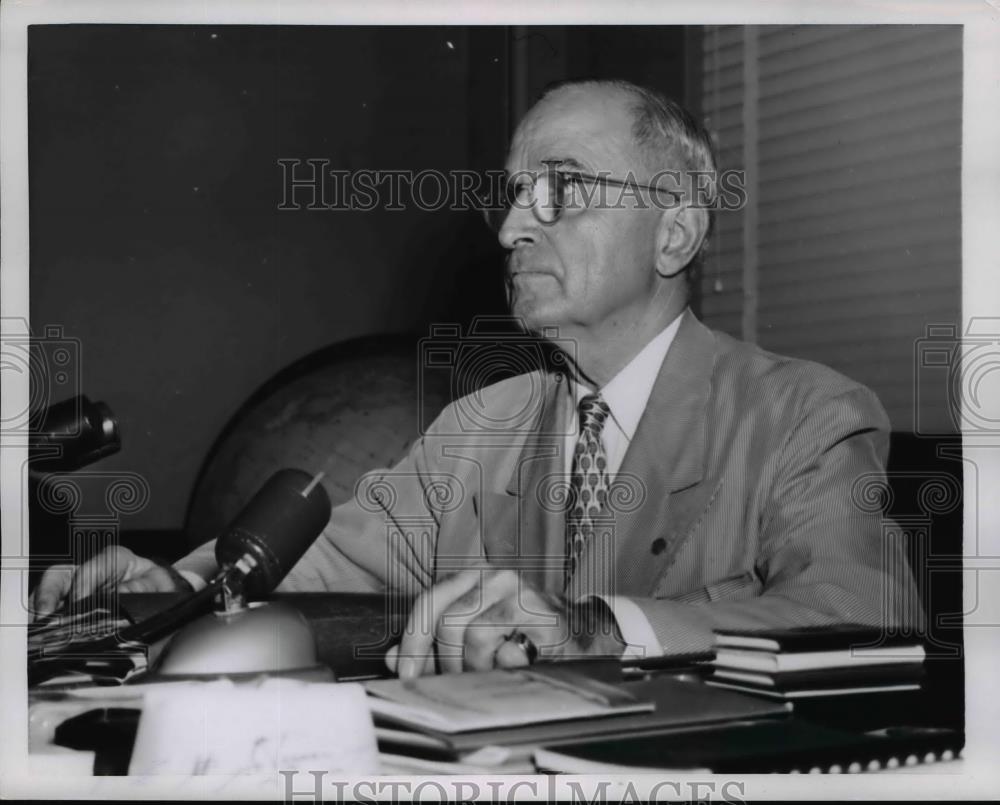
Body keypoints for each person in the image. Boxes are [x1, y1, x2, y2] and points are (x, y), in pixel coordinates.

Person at [32, 79, 923, 677]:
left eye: (560, 189)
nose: (509, 229)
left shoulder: (803, 414)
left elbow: (869, 611)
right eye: (512, 193)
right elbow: (325, 555)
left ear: (675, 233)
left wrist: (599, 628)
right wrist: (166, 588)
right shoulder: (481, 424)